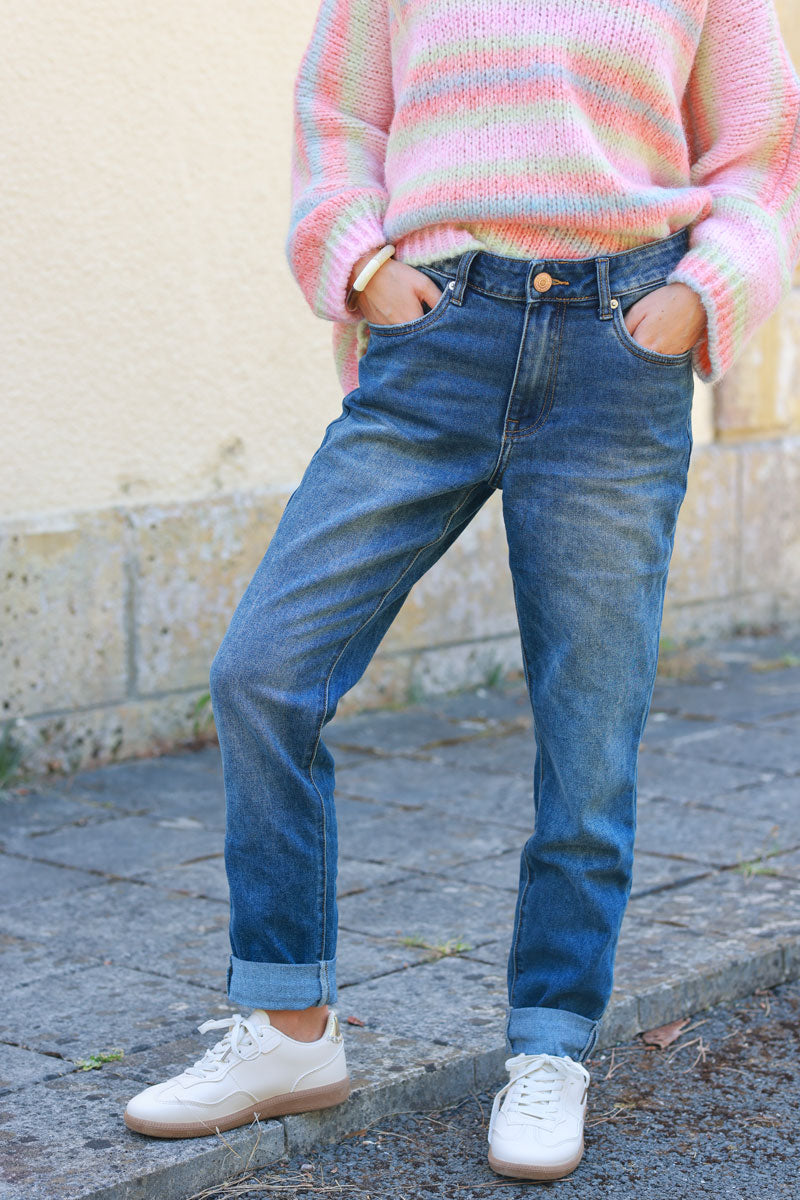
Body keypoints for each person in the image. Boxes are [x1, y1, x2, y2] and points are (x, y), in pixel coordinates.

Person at [124, 0, 800, 1181]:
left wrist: (703, 291)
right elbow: (335, 117)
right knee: (264, 672)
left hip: (617, 346)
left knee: (588, 743)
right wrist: (359, 266)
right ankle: (288, 1029)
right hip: (435, 338)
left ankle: (548, 1051)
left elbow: (761, 150)